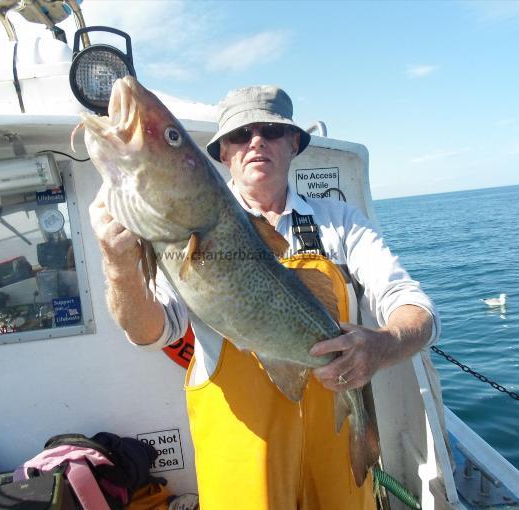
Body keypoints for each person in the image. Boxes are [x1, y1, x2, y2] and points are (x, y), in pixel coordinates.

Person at [90, 86, 441, 509]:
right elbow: (152, 333)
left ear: (293, 144)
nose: (255, 142)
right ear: (222, 154)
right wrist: (118, 265)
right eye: (240, 135)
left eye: (271, 131)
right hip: (242, 456)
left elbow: (414, 306)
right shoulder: (176, 237)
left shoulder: (341, 222)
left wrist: (384, 346)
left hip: (333, 458)